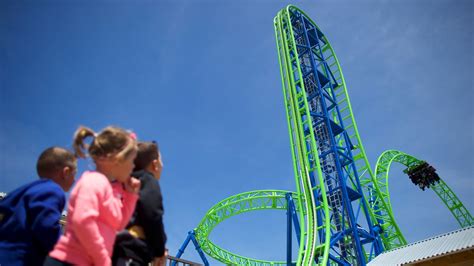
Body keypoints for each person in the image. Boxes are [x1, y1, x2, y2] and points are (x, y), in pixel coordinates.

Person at [45, 126, 141, 266]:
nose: (133, 167)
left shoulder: (109, 189)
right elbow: (82, 221)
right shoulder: (94, 181)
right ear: (117, 159)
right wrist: (103, 260)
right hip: (68, 261)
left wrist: (131, 195)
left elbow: (119, 224)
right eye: (132, 160)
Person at [0, 147, 77, 266]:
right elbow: (47, 227)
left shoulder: (24, 192)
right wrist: (67, 252)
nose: (75, 179)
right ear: (65, 172)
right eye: (74, 174)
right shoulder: (53, 190)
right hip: (21, 260)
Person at [112, 141, 167, 266]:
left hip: (112, 246)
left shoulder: (120, 182)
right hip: (133, 250)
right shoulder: (148, 180)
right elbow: (152, 214)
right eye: (161, 161)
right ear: (155, 165)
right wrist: (159, 249)